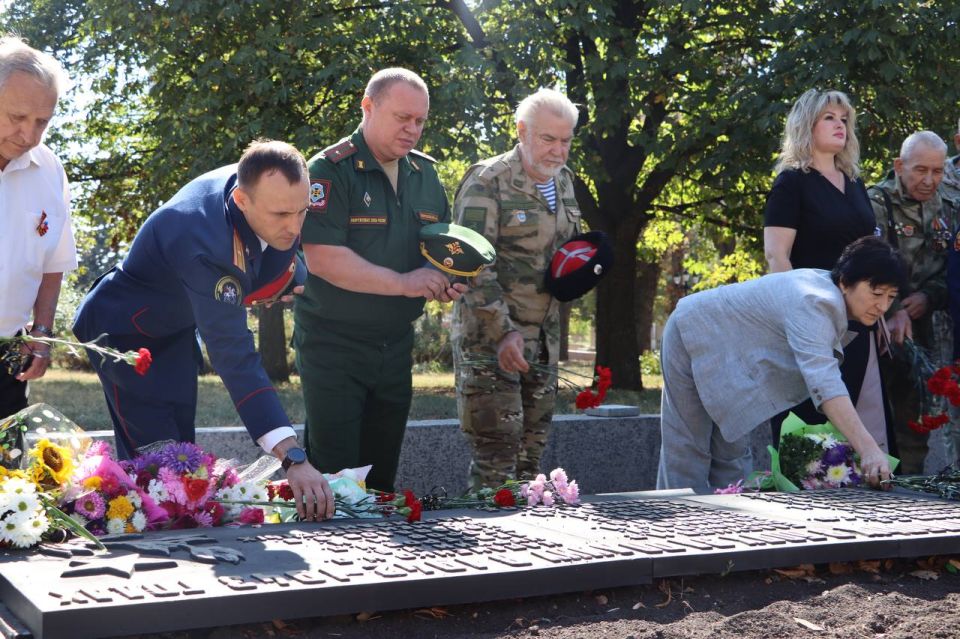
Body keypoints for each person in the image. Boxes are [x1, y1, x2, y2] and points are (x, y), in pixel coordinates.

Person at [73, 140, 333, 521]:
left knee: (182, 456)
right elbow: (233, 354)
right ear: (243, 201)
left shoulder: (264, 181)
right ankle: (149, 562)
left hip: (175, 328)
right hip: (123, 335)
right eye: (281, 215)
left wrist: (287, 276)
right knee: (158, 471)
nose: (294, 228)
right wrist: (292, 455)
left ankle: (176, 544)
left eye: (302, 212)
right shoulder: (203, 242)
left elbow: (279, 262)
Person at [294, 68, 465, 492]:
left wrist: (450, 280)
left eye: (420, 121)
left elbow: (439, 249)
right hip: (334, 344)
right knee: (336, 478)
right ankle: (332, 556)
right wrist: (406, 283)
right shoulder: (329, 170)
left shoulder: (425, 175)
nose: (412, 130)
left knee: (381, 476)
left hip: (394, 345)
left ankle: (378, 559)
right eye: (402, 117)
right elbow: (323, 258)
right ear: (368, 107)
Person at [656, 236, 907, 492]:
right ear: (844, 282)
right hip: (691, 331)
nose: (882, 306)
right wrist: (868, 449)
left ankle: (728, 524)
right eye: (876, 293)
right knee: (688, 449)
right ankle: (678, 525)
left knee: (731, 453)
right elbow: (825, 384)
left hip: (732, 355)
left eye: (891, 297)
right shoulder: (815, 300)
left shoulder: (824, 294)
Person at [450, 88, 581, 490]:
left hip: (543, 343)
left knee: (530, 462)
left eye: (566, 141)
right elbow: (471, 266)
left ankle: (527, 547)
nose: (558, 151)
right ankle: (484, 550)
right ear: (522, 131)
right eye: (548, 139)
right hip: (492, 341)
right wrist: (503, 331)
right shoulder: (488, 181)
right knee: (496, 462)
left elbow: (564, 254)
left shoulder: (564, 184)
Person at [762, 89, 887, 450]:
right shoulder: (792, 182)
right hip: (810, 317)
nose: (839, 125)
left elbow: (869, 253)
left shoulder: (855, 182)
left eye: (844, 119)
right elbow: (776, 257)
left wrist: (876, 310)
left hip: (856, 319)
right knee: (809, 419)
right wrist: (795, 318)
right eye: (829, 118)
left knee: (850, 417)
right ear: (807, 125)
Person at [868, 131, 959, 473]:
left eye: (937, 171)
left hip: (922, 327)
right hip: (873, 322)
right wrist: (892, 309)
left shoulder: (949, 208)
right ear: (899, 165)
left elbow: (952, 269)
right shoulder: (874, 204)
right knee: (873, 409)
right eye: (921, 170)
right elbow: (864, 264)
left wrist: (927, 297)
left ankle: (911, 490)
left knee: (915, 413)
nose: (929, 180)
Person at [0, 36, 76, 419]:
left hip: (8, 357)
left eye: (41, 122)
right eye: (17, 118)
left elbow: (53, 262)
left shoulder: (48, 169)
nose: (29, 135)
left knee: (6, 474)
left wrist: (42, 330)